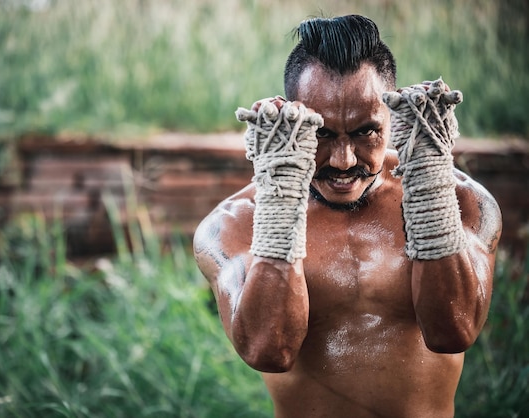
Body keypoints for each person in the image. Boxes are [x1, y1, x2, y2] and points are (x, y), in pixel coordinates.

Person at [193, 14, 502, 418]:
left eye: (365, 131)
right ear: (294, 116)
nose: (343, 160)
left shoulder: (459, 199)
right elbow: (268, 350)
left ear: (391, 116)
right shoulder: (235, 223)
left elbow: (454, 331)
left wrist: (428, 184)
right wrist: (282, 200)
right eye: (321, 133)